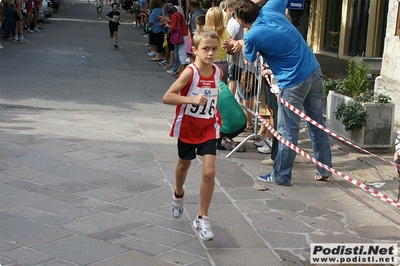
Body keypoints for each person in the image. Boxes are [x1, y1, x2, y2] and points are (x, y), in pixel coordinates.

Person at [231, 0, 332, 186]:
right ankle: (324, 168)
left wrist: (241, 40)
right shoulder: (270, 8)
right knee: (317, 123)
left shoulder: (252, 35)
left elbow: (248, 59)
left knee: (287, 131)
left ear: (240, 20)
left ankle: (281, 175)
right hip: (314, 72)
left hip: (293, 82)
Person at [162, 29, 222, 241]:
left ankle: (202, 217)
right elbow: (167, 97)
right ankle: (178, 193)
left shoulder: (217, 72)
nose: (211, 53)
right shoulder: (190, 72)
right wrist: (191, 99)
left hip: (209, 127)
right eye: (206, 49)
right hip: (188, 127)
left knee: (209, 172)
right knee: (184, 165)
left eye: (214, 49)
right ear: (195, 50)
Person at [204, 7, 229, 83]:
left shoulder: (204, 34)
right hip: (223, 64)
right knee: (221, 91)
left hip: (208, 64)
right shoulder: (226, 32)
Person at [163, 3, 188, 76]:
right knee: (180, 53)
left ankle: (180, 71)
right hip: (184, 34)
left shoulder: (174, 16)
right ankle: (179, 69)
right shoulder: (178, 14)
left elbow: (173, 27)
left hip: (182, 35)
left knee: (180, 53)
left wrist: (166, 24)